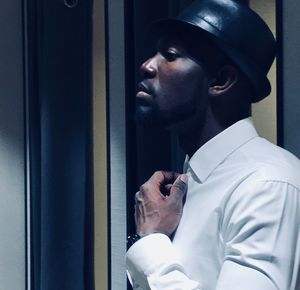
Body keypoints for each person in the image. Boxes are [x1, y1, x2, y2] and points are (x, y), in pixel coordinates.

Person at [126, 0, 300, 289]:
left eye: (170, 55)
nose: (146, 65)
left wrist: (150, 242)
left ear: (220, 80)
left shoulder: (267, 185)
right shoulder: (190, 179)